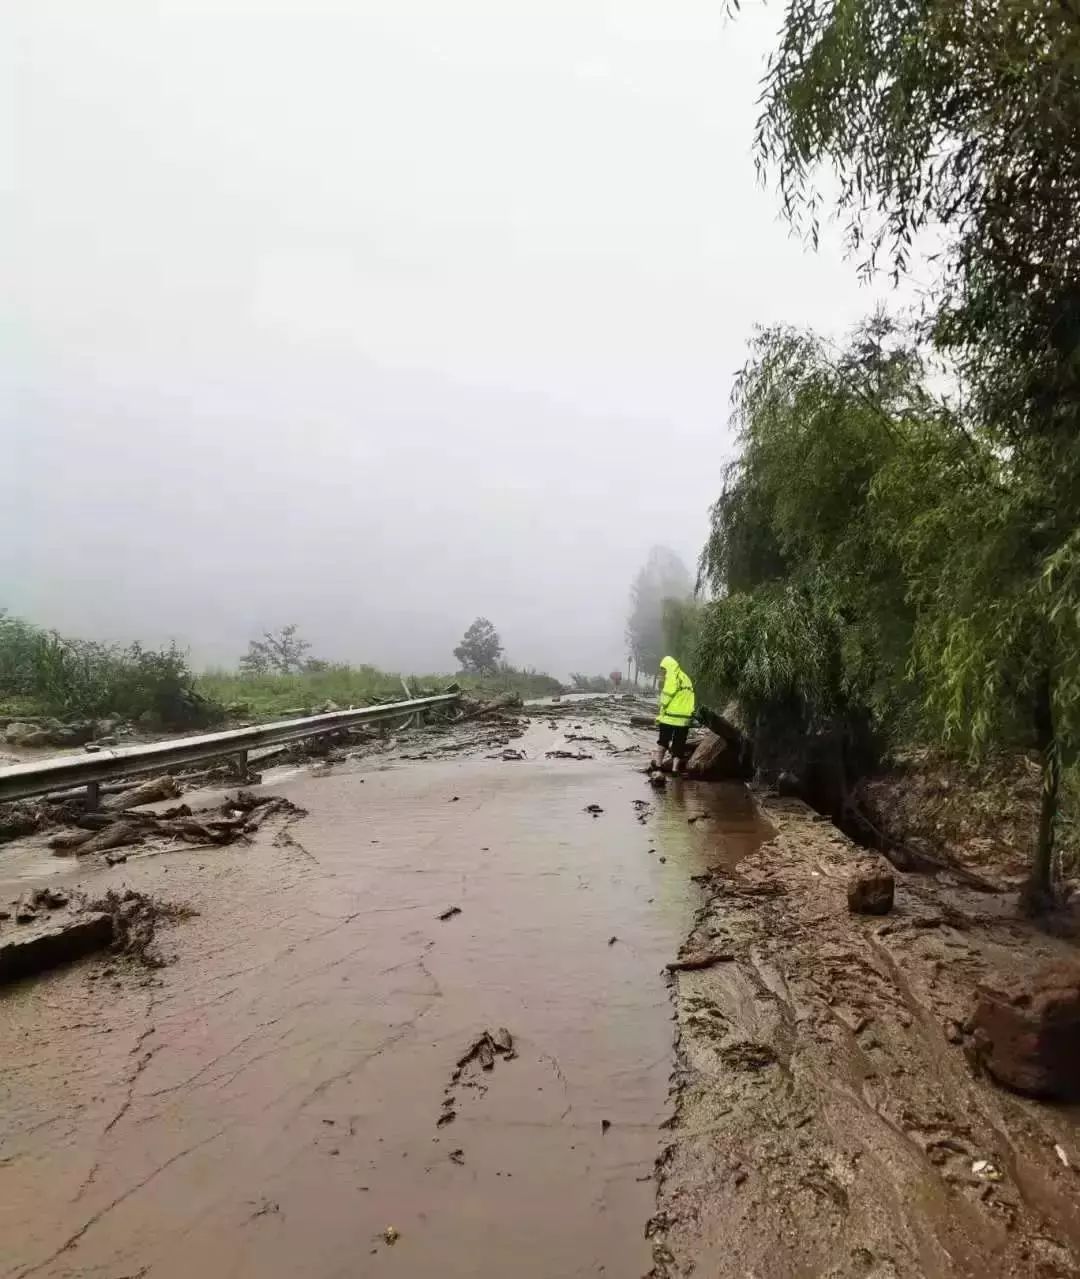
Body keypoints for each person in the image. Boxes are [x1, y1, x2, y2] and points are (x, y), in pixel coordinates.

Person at [654, 655, 695, 773]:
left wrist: (661, 708)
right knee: (679, 744)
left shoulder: (672, 676)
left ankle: (658, 766)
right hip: (684, 719)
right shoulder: (686, 678)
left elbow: (667, 695)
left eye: (663, 669)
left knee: (663, 741)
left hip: (669, 717)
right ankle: (675, 770)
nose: (663, 672)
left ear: (668, 667)